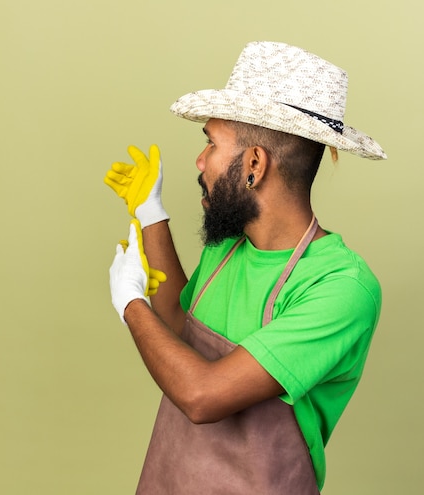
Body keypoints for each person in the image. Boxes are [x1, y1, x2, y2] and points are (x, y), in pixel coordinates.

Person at [105, 41, 386, 494]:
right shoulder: (230, 247)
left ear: (254, 164)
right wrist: (151, 214)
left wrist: (130, 304)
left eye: (211, 144)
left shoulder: (339, 287)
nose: (199, 162)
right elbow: (179, 327)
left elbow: (202, 395)